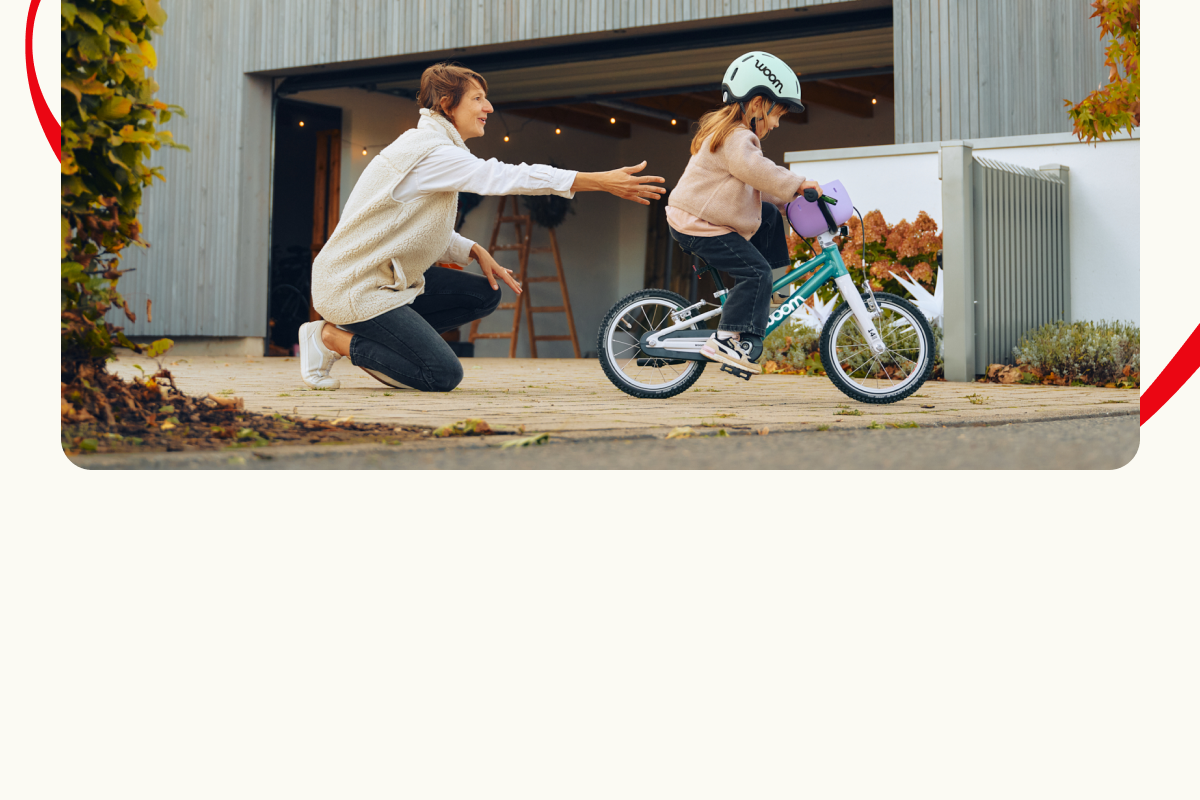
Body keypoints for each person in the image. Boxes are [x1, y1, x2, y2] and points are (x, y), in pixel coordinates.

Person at [300, 62, 667, 391]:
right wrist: (598, 180)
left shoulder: (436, 148)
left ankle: (384, 338)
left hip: (386, 279)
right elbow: (504, 176)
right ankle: (331, 337)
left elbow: (407, 229)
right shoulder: (431, 151)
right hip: (355, 285)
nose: (488, 108)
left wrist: (473, 250)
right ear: (447, 104)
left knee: (484, 294)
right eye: (477, 99)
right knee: (440, 374)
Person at [665, 51, 821, 377]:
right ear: (756, 104)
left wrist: (783, 200)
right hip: (698, 223)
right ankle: (724, 338)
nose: (777, 123)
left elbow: (749, 184)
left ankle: (774, 292)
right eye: (776, 114)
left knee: (767, 215)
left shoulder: (734, 136)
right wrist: (797, 184)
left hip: (706, 217)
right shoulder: (736, 138)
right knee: (755, 273)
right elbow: (757, 170)